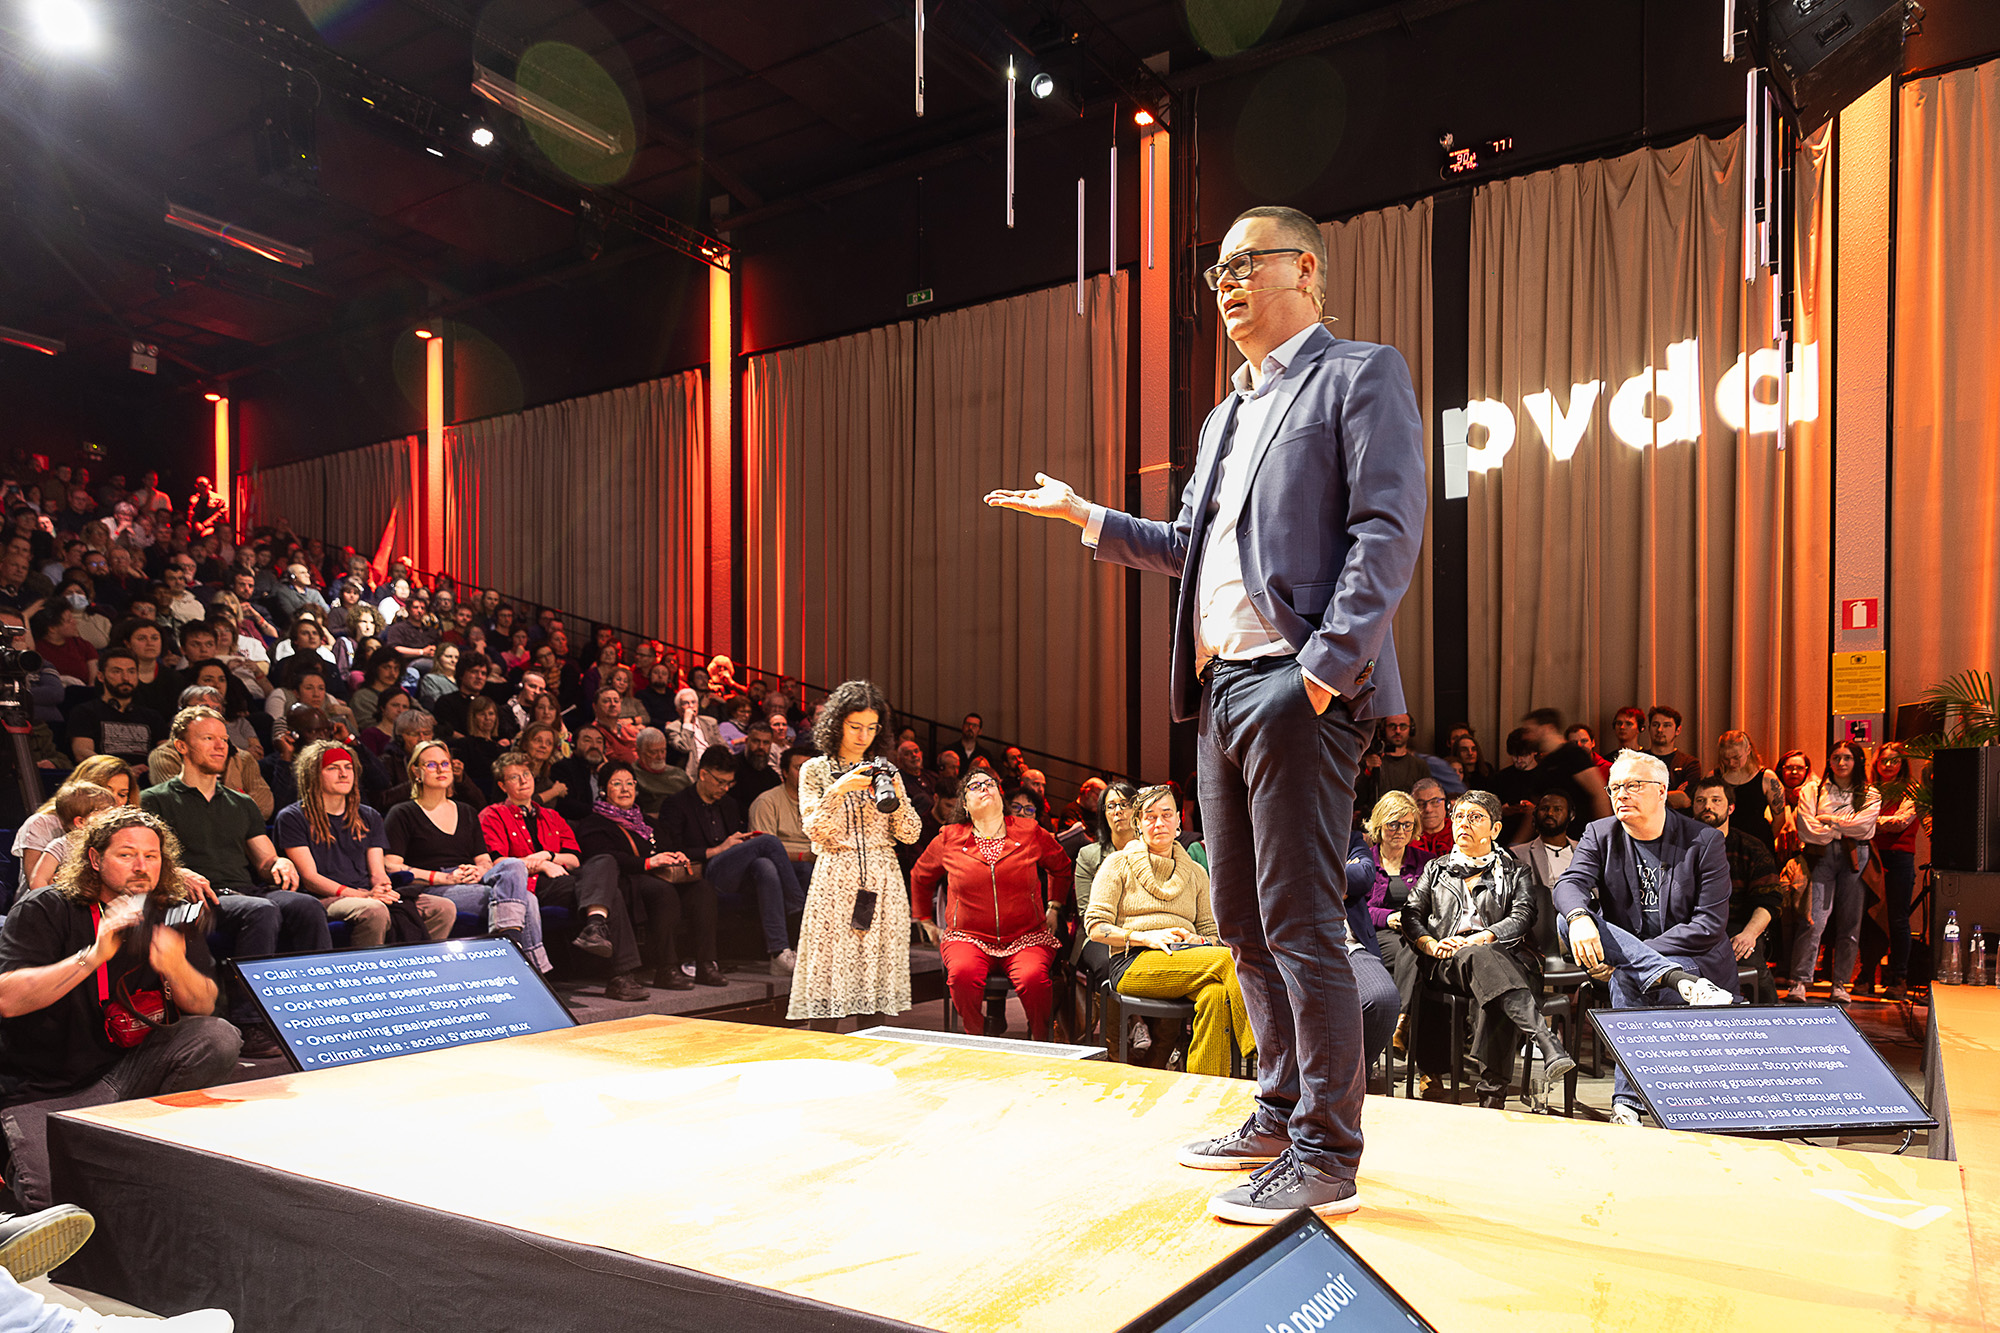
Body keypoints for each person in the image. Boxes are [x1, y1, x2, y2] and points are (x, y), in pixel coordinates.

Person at [990, 204, 1425, 1222]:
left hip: (1297, 686)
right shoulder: (1224, 414)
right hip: (1218, 691)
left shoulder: (1359, 375)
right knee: (1239, 920)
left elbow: (1385, 530)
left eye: (1244, 263)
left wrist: (1319, 673)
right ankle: (1276, 1111)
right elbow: (1188, 547)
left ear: (1304, 269)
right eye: (1213, 272)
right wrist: (1086, 517)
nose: (1223, 284)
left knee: (1303, 921)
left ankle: (1326, 1151)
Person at [0, 807, 241, 1207]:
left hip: (127, 1074)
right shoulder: (46, 907)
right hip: (43, 1086)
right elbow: (7, 999)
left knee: (217, 1037)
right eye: (126, 854)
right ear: (95, 859)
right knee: (54, 1202)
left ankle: (148, 1148)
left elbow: (206, 1007)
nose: (141, 866)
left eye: (152, 855)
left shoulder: (169, 911)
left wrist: (175, 965)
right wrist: (92, 955)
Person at [1554, 751, 1738, 1127]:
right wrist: (1578, 918)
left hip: (1693, 958)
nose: (1621, 794)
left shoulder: (1703, 840)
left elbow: (1709, 925)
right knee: (1566, 920)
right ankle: (1679, 986)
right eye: (1615, 786)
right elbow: (1570, 884)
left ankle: (1625, 1104)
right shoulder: (1600, 833)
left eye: (1633, 785)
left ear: (1663, 791)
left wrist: (1628, 956)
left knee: (1627, 975)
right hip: (1669, 973)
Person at [1399, 791, 1573, 1109]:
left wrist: (1480, 939)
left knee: (1490, 972)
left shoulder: (1515, 871)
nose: (1464, 823)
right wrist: (1430, 943)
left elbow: (1522, 917)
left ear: (1494, 830)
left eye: (1475, 817)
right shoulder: (1436, 869)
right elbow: (1411, 914)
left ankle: (1493, 1093)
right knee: (1487, 965)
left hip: (1503, 956)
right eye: (1460, 816)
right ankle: (1542, 1041)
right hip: (1447, 960)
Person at [141, 707, 332, 973]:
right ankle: (250, 1011)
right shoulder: (154, 799)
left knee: (307, 906)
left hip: (243, 892)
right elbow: (144, 861)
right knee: (261, 910)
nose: (221, 745)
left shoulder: (241, 802)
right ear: (181, 746)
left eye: (224, 738)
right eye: (208, 738)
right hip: (193, 900)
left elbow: (265, 861)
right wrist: (174, 873)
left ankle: (317, 991)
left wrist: (280, 862)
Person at [1084, 785, 1253, 1077]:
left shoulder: (1197, 873)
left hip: (1186, 957)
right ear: (1138, 824)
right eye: (1149, 817)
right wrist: (1143, 937)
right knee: (1228, 961)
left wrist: (1197, 939)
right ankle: (1265, 1050)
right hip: (1132, 960)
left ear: (1178, 822)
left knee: (1214, 994)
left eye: (1166, 815)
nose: (1158, 823)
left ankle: (1205, 1086)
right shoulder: (1117, 863)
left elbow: (1212, 934)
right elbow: (1095, 927)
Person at [786, 681, 921, 1027]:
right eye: (855, 726)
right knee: (829, 980)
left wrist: (893, 798)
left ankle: (872, 1063)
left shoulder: (886, 772)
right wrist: (839, 789)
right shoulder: (814, 770)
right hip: (836, 877)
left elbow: (910, 833)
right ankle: (821, 1063)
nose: (863, 736)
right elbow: (814, 829)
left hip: (883, 876)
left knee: (873, 981)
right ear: (836, 724)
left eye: (871, 728)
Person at [909, 768, 1072, 1040]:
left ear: (999, 794)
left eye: (990, 784)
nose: (984, 788)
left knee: (1034, 978)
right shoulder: (949, 837)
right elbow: (920, 876)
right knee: (961, 973)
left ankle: (1042, 1041)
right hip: (968, 937)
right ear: (964, 803)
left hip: (1026, 936)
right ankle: (976, 1035)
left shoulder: (1029, 830)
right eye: (975, 786)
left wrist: (1054, 906)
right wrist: (924, 920)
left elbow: (1062, 867)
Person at [480, 753, 651, 1002]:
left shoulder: (551, 816)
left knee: (604, 862)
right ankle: (620, 974)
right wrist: (543, 866)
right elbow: (499, 865)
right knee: (609, 892)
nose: (523, 781)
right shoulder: (492, 815)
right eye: (514, 777)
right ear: (502, 785)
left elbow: (574, 859)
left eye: (526, 775)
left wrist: (548, 856)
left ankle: (595, 925)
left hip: (563, 880)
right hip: (526, 887)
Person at [383, 740, 547, 973]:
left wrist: (478, 871)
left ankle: (512, 946)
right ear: (416, 771)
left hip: (470, 881)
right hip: (431, 887)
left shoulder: (466, 811)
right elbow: (391, 865)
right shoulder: (403, 813)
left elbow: (483, 861)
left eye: (445, 763)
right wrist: (444, 879)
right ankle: (528, 966)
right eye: (431, 764)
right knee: (527, 900)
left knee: (513, 865)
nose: (441, 769)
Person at [275, 740, 456, 947]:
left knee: (443, 907)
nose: (344, 774)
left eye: (348, 767)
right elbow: (311, 879)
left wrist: (382, 887)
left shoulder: (368, 815)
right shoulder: (292, 817)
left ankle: (419, 968)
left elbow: (377, 871)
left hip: (366, 893)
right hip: (323, 898)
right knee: (374, 910)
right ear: (313, 775)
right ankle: (369, 972)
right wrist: (363, 895)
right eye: (333, 768)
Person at [573, 761, 724, 992]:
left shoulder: (648, 822)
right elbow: (603, 859)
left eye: (629, 783)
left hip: (658, 877)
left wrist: (674, 856)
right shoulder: (594, 823)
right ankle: (666, 968)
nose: (625, 789)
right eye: (617, 784)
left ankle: (706, 963)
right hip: (625, 881)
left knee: (702, 889)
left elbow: (668, 846)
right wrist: (649, 862)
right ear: (603, 790)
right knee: (661, 891)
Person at [658, 747, 806, 975]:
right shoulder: (677, 804)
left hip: (735, 872)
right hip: (702, 874)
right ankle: (799, 907)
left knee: (765, 865)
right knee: (768, 842)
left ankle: (779, 953)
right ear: (703, 774)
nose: (725, 789)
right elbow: (674, 851)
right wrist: (718, 849)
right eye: (720, 782)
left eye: (729, 783)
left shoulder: (728, 804)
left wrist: (738, 844)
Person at [1786, 739, 1879, 1005]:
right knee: (1813, 919)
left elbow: (1865, 829)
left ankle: (1841, 983)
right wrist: (1840, 826)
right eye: (1836, 757)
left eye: (1847, 758)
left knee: (1850, 922)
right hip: (1821, 856)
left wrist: (1829, 820)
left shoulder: (1869, 793)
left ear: (1857, 761)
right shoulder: (1813, 790)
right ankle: (1799, 981)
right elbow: (1806, 828)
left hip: (1856, 856)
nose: (1841, 763)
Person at [1346, 791, 1431, 1066]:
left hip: (1417, 931)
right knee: (1414, 949)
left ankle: (1400, 1023)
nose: (1401, 831)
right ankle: (1400, 1025)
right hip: (1378, 934)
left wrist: (1410, 920)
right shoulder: (1366, 860)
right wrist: (1388, 918)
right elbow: (1358, 908)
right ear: (1380, 825)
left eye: (1407, 825)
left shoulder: (1426, 861)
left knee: (1416, 947)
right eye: (1393, 824)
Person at [1687, 775, 1781, 1005]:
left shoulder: (1751, 848)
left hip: (1737, 926)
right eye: (1700, 800)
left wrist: (1750, 934)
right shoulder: (1678, 846)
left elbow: (1769, 900)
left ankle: (1774, 1026)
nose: (1707, 806)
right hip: (1688, 927)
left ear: (1731, 808)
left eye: (1716, 800)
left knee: (1755, 968)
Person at [11, 756, 136, 892]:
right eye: (106, 791)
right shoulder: (47, 829)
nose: (115, 801)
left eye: (122, 794)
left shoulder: (119, 832)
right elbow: (37, 882)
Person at [1863, 743, 1920, 1001]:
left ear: (1903, 764)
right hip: (1871, 856)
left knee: (1898, 920)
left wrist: (1867, 824)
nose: (1888, 765)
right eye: (1884, 760)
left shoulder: (1911, 790)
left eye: (1894, 761)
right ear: (1876, 763)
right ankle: (1866, 975)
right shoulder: (1869, 790)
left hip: (1899, 858)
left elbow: (1901, 823)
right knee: (1870, 917)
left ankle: (1899, 977)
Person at [65, 648, 166, 765]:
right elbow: (82, 753)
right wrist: (122, 770)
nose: (126, 678)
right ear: (101, 677)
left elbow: (167, 754)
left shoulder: (152, 716)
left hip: (147, 779)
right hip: (104, 778)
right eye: (117, 671)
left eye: (131, 672)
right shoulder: (85, 712)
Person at [1714, 730, 1783, 856]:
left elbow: (1779, 817)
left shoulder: (1766, 777)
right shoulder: (1715, 777)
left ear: (1748, 750)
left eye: (1736, 758)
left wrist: (1765, 841)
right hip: (1725, 845)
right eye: (1726, 759)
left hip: (1758, 843)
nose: (1731, 763)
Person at [747, 745, 816, 868]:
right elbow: (764, 849)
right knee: (805, 868)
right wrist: (802, 856)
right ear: (785, 772)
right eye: (799, 768)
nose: (806, 773)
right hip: (781, 862)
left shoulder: (820, 802)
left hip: (817, 860)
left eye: (811, 768)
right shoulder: (767, 802)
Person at [1507, 790, 1577, 893]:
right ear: (1535, 814)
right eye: (1544, 809)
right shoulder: (1518, 853)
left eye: (1557, 809)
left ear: (1571, 815)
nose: (1550, 813)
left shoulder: (1583, 849)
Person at [1645, 706, 1701, 808]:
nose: (1660, 730)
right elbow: (1632, 796)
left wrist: (1647, 795)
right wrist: (1673, 794)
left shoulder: (1690, 763)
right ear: (1649, 728)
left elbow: (1685, 801)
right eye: (1655, 725)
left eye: (1667, 725)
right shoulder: (1637, 761)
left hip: (1677, 822)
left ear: (1678, 730)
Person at [631, 727, 692, 817]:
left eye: (663, 751)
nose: (660, 757)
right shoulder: (632, 775)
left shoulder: (679, 774)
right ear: (639, 752)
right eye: (653, 752)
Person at [665, 688, 719, 774]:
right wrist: (687, 723)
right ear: (678, 709)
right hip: (693, 771)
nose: (691, 705)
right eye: (686, 703)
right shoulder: (672, 728)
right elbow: (684, 747)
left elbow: (722, 746)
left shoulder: (710, 722)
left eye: (693, 702)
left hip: (715, 765)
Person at [1409, 778, 1453, 857]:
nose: (1428, 809)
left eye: (1435, 802)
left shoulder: (1460, 833)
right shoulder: (1406, 836)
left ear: (1447, 805)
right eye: (1420, 804)